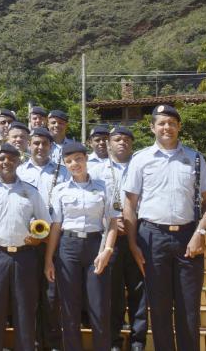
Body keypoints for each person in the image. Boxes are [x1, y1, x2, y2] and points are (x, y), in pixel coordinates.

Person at [123, 105, 206, 351]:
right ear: (152, 127)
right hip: (151, 238)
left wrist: (200, 234)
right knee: (159, 308)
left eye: (172, 123)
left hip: (188, 237)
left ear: (179, 127)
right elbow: (130, 206)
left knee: (189, 309)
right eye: (162, 123)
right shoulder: (140, 159)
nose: (167, 127)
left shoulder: (194, 158)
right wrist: (133, 244)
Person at [0, 143, 51, 351]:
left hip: (25, 258)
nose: (7, 162)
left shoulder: (31, 192)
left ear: (18, 161)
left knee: (25, 312)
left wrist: (38, 238)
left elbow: (46, 226)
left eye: (12, 158)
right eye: (2, 158)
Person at [45, 142, 118, 351]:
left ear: (86, 159)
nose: (74, 164)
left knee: (99, 308)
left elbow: (112, 222)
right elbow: (56, 226)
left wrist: (107, 251)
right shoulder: (59, 190)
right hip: (68, 248)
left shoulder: (104, 187)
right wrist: (48, 259)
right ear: (65, 165)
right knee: (69, 309)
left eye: (78, 158)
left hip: (96, 246)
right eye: (68, 161)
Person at [89, 126, 147, 351]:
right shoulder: (97, 170)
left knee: (139, 290)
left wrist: (131, 221)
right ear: (108, 143)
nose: (121, 142)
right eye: (116, 139)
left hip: (139, 233)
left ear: (132, 144)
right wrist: (112, 222)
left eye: (126, 139)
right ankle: (113, 341)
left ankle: (138, 341)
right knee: (111, 292)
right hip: (109, 236)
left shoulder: (142, 166)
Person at [16, 127, 68, 351]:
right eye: (36, 143)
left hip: (54, 242)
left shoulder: (63, 172)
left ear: (50, 146)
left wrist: (49, 236)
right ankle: (33, 343)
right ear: (29, 144)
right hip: (28, 242)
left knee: (51, 296)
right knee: (29, 295)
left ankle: (54, 344)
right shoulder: (18, 171)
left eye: (44, 144)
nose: (39, 147)